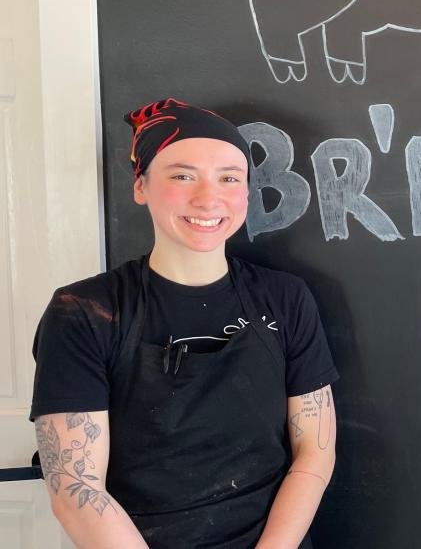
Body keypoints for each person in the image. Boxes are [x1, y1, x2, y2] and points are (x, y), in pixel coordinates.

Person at [30, 98, 339, 549]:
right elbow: (76, 490)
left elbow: (315, 452)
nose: (208, 198)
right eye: (182, 175)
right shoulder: (83, 311)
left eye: (229, 178)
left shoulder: (285, 298)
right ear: (140, 185)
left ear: (246, 192)